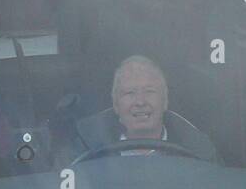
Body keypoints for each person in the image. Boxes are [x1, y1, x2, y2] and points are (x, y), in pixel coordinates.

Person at [62, 55, 219, 161]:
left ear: (165, 101)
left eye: (149, 91)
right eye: (130, 93)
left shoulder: (198, 151)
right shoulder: (84, 150)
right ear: (116, 105)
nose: (140, 102)